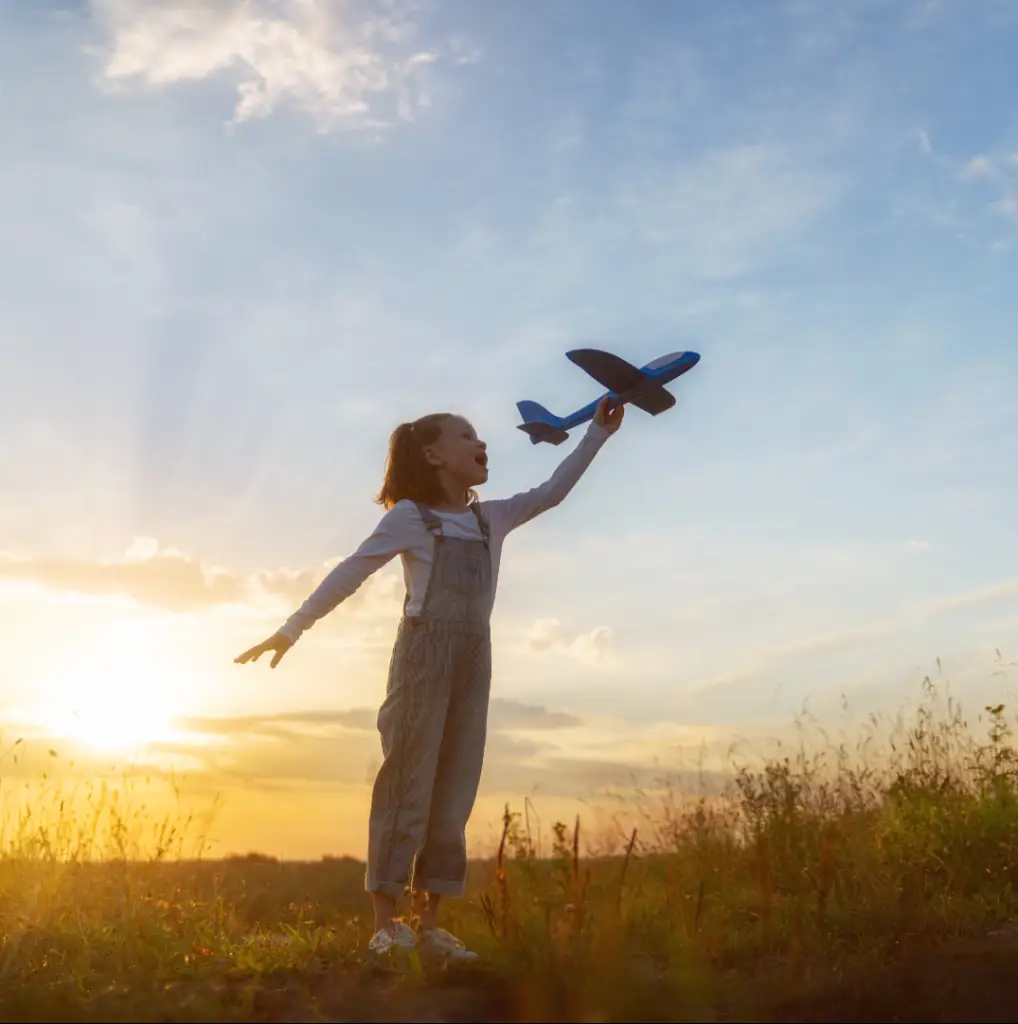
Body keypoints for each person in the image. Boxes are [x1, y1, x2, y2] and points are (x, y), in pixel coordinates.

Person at [235, 397, 624, 960]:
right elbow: (351, 572)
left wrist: (597, 434)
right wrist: (290, 630)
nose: (481, 443)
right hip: (422, 657)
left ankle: (431, 922)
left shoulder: (492, 517)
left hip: (474, 658)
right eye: (467, 436)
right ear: (434, 454)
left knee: (455, 787)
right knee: (406, 783)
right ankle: (386, 923)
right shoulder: (409, 519)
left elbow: (552, 491)